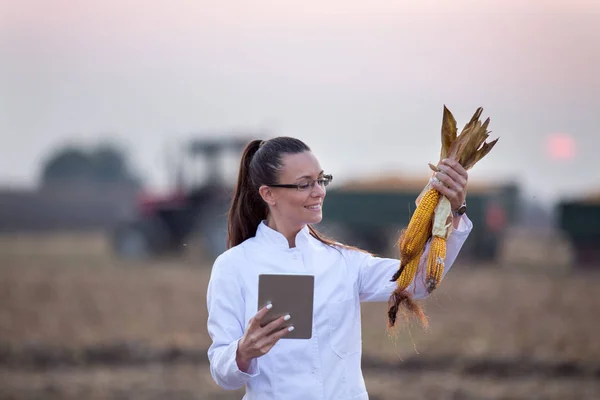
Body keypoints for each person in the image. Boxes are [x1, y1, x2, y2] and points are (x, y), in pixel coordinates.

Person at [206, 137, 473, 399]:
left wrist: (452, 210)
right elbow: (222, 372)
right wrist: (243, 352)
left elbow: (419, 281)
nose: (319, 191)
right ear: (268, 194)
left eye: (321, 180)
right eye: (304, 184)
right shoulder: (233, 266)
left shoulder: (344, 261)